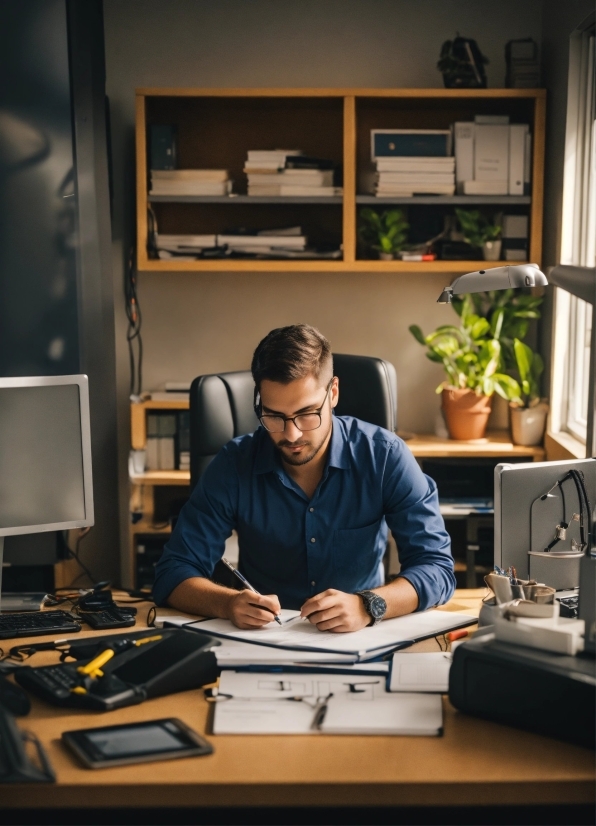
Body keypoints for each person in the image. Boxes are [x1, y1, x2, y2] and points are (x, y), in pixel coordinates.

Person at [153, 324, 455, 632]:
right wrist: (228, 603)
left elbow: (437, 568)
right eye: (274, 416)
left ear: (333, 392)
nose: (291, 434)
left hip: (358, 637)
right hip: (264, 640)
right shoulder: (234, 464)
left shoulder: (386, 457)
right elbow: (173, 572)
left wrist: (368, 605)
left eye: (307, 413)